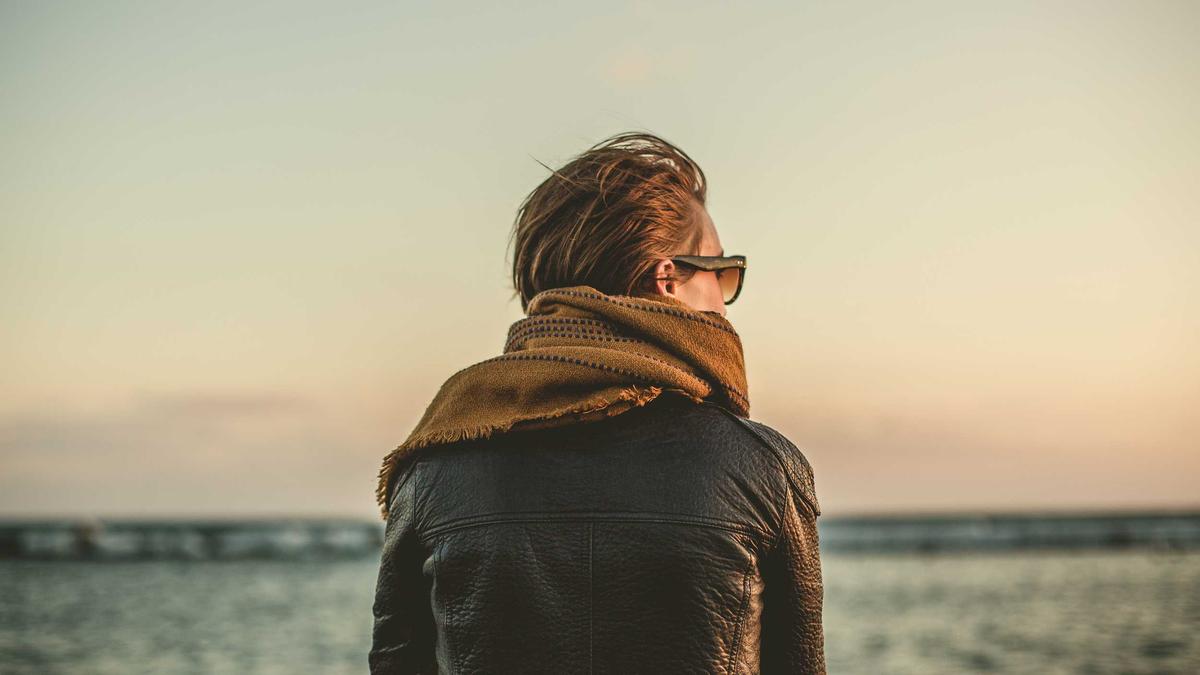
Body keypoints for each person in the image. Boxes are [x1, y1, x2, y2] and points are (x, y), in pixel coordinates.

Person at [370, 131, 825, 674]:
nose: (724, 303)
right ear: (668, 279)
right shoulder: (764, 469)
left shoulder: (430, 471)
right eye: (722, 272)